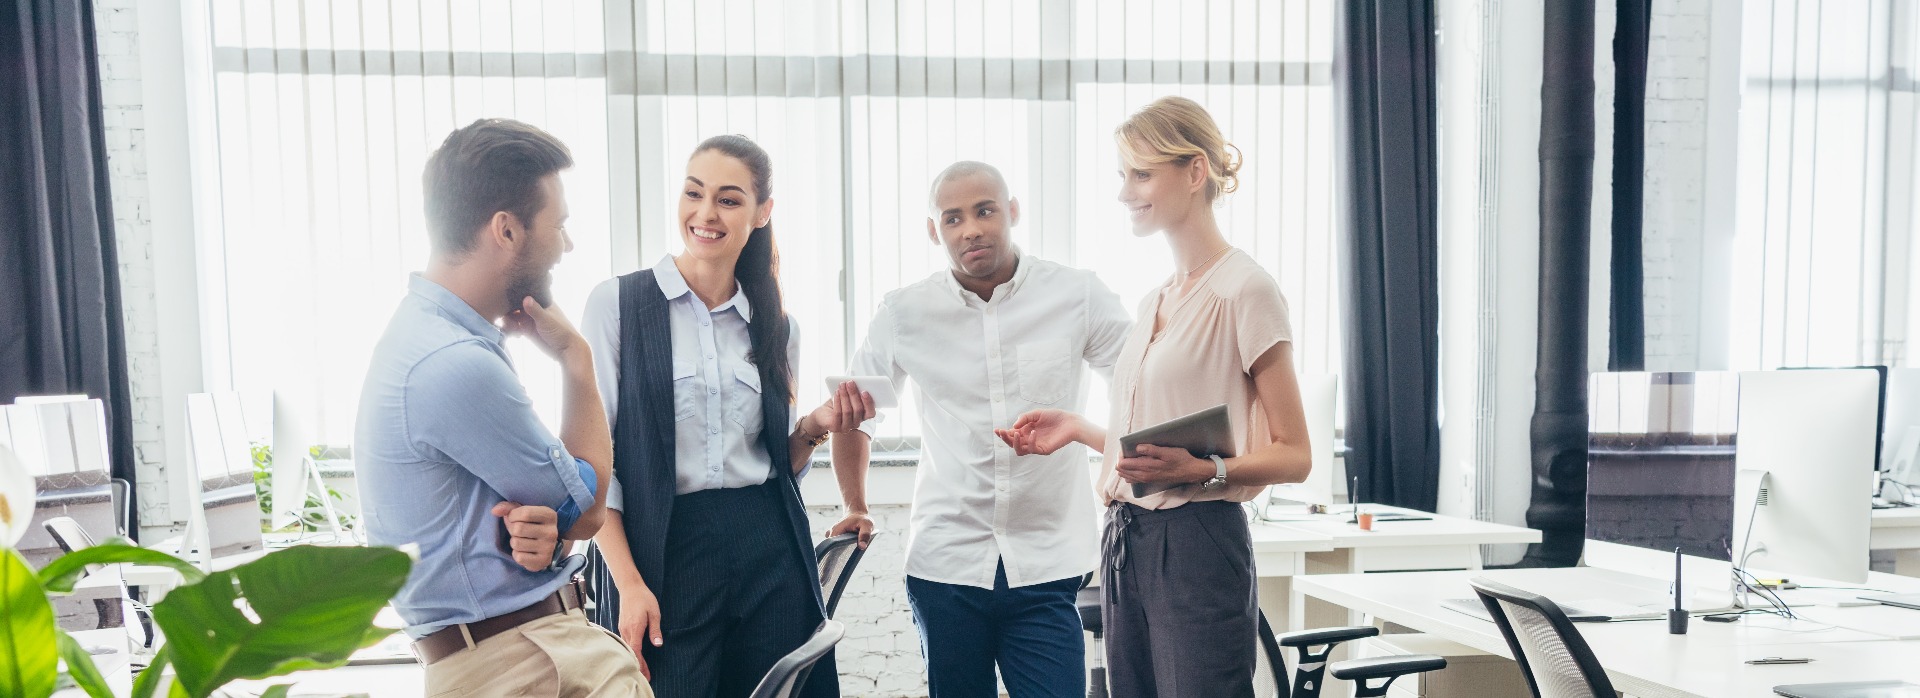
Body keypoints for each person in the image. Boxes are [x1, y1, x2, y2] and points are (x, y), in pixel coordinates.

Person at [997, 96, 1314, 697]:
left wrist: (1206, 468)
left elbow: (1296, 454)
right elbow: (1154, 448)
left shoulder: (1245, 290)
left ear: (1196, 172)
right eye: (1123, 175)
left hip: (1197, 543)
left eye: (1140, 174)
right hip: (1126, 540)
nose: (1125, 193)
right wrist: (1080, 428)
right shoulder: (1154, 302)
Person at [355, 118, 649, 697]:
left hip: (519, 652)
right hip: (527, 661)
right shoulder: (453, 362)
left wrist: (552, 527)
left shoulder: (426, 336)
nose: (567, 245)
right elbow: (586, 506)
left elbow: (554, 517)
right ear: (507, 230)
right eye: (558, 225)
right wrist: (577, 361)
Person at [581, 134, 873, 698]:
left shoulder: (778, 327)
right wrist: (629, 583)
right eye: (694, 193)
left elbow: (772, 464)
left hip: (768, 542)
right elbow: (596, 466)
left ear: (763, 212)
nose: (705, 213)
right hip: (662, 546)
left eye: (729, 199)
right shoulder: (616, 305)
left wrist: (813, 428)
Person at [827, 161, 1132, 697]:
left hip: (1047, 560)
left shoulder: (1078, 295)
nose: (970, 228)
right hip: (946, 564)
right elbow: (854, 416)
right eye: (953, 218)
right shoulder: (904, 313)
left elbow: (1141, 390)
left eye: (985, 210)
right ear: (934, 230)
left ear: (1012, 212)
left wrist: (1105, 444)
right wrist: (855, 503)